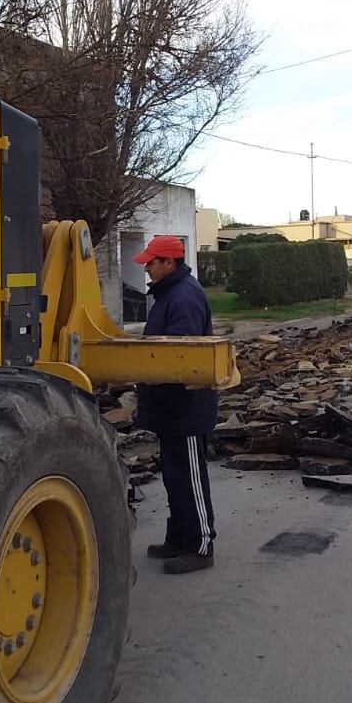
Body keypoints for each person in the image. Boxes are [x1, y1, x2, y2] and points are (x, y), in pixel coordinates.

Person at [132, 234, 218, 575]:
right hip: (170, 406)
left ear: (170, 263)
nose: (147, 269)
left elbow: (180, 357)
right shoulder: (170, 294)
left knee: (190, 477)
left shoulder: (183, 298)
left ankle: (200, 546)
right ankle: (179, 537)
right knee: (175, 476)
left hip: (186, 406)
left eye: (152, 263)